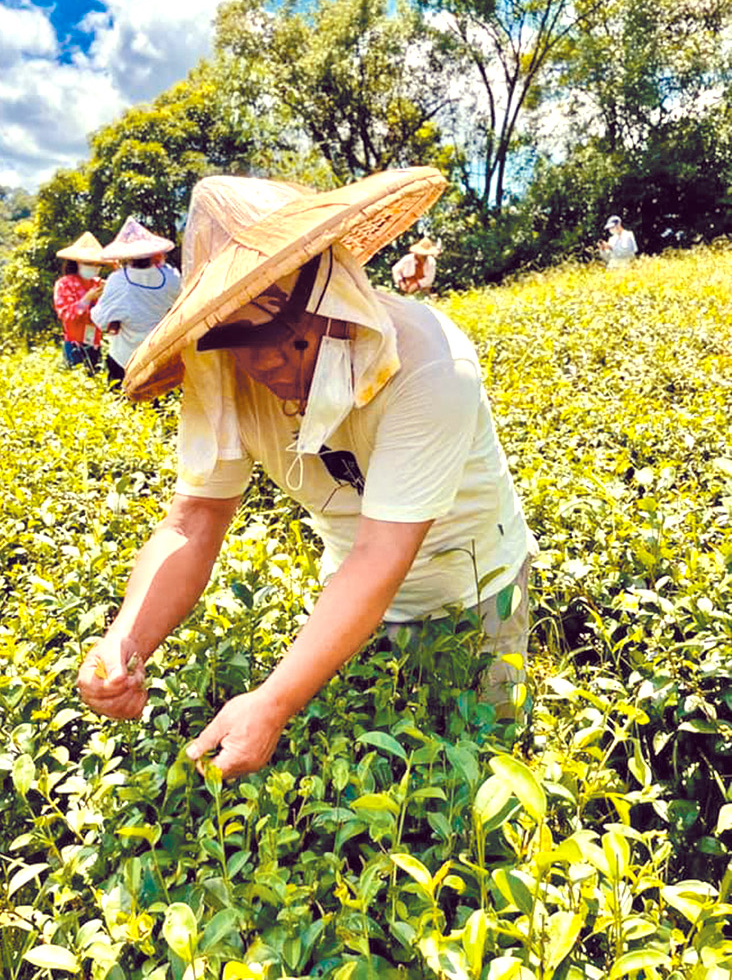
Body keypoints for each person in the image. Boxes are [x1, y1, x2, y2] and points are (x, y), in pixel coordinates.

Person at [76, 169, 536, 779]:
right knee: (379, 773)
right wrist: (125, 640)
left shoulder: (429, 363)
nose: (263, 361)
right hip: (347, 602)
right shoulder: (230, 380)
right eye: (236, 337)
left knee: (482, 768)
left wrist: (273, 702)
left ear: (328, 293)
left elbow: (382, 554)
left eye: (284, 329)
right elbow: (195, 521)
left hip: (475, 589)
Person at [89, 217, 181, 384]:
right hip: (160, 353)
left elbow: (101, 320)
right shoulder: (171, 277)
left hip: (124, 356)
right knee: (160, 407)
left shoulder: (118, 280)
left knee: (124, 406)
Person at [53, 232, 105, 372]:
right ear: (76, 263)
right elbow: (66, 314)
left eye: (97, 264)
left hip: (95, 343)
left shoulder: (99, 284)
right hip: (74, 344)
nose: (94, 267)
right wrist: (87, 299)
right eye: (88, 263)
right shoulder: (64, 284)